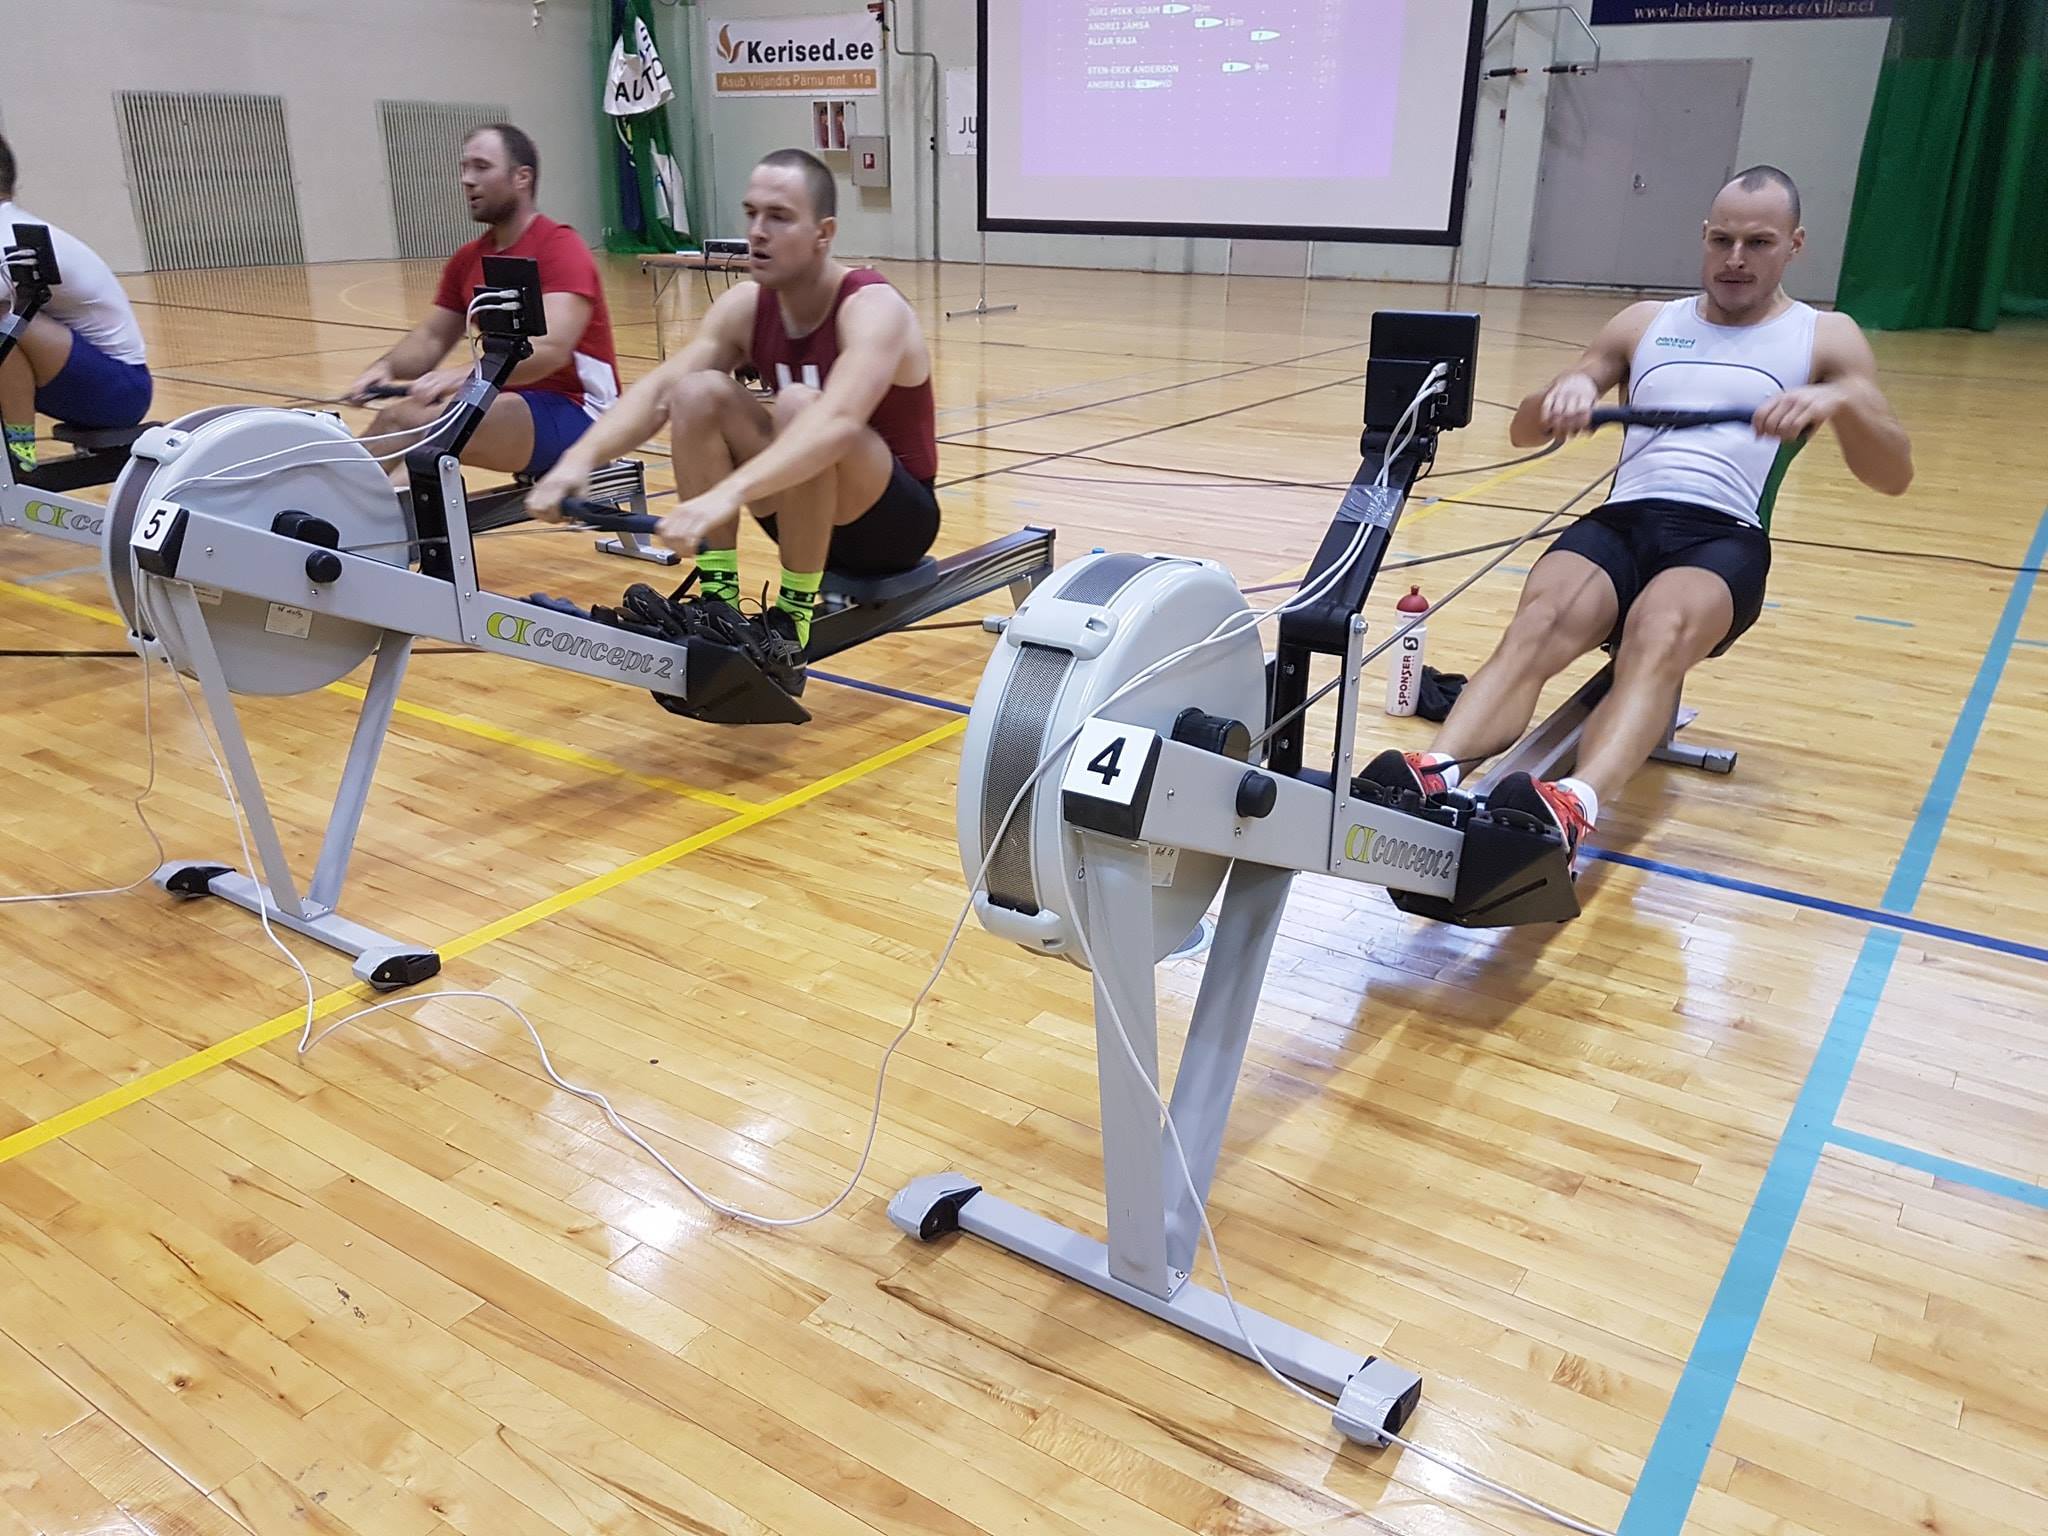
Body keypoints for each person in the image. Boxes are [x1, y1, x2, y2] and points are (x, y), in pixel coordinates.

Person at [1361, 166, 1913, 863]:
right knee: (1539, 621)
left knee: (1658, 632)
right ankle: (1436, 771)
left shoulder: (1825, 336)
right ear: (1703, 237)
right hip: (1624, 523)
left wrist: (1841, 402)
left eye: (1758, 243)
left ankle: (1576, 802)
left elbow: (1892, 474)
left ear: (1795, 245)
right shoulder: (1646, 322)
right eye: (1721, 240)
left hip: (1723, 537)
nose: (1735, 259)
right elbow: (1526, 431)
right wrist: (1563, 392)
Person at [527, 147, 940, 699]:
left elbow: (838, 422)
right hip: (803, 513)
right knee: (697, 391)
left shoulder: (871, 306)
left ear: (823, 233)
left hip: (889, 527)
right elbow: (659, 392)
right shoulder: (747, 306)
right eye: (751, 214)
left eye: (779, 217)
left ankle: (791, 622)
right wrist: (577, 460)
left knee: (800, 406)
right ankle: (718, 600)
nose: (758, 231)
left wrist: (728, 493)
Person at [347, 123, 618, 482]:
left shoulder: (559, 246)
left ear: (522, 177)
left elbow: (550, 349)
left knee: (409, 423)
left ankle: (336, 509)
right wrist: (385, 368)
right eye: (464, 168)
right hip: (505, 400)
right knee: (403, 449)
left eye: (481, 167)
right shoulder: (468, 258)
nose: (467, 179)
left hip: (581, 411)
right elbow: (431, 337)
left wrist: (460, 376)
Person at [0, 133, 153, 480]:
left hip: (120, 392)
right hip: (77, 377)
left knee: (5, 322)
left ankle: (19, 456)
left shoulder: (8, 232)